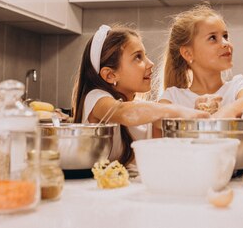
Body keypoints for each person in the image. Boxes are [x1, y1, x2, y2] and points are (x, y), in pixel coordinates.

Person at [72, 24, 208, 165]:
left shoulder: (141, 114)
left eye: (145, 56)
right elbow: (124, 112)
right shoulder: (95, 98)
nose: (150, 63)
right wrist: (177, 110)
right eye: (138, 57)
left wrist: (195, 108)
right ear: (111, 75)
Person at [159, 4, 243, 118]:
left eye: (225, 36)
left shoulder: (238, 86)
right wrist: (196, 114)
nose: (227, 44)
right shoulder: (172, 97)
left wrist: (216, 116)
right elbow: (158, 122)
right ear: (188, 53)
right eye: (212, 38)